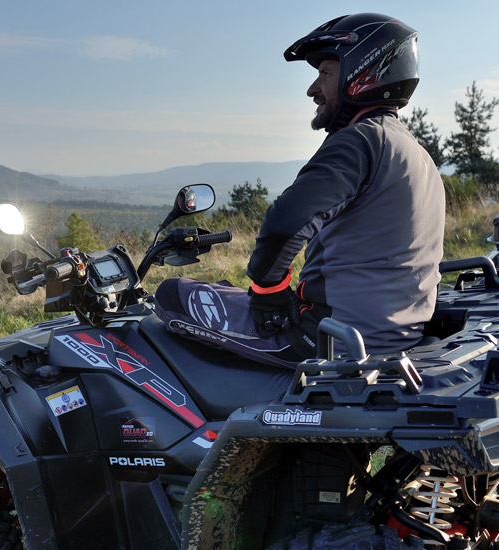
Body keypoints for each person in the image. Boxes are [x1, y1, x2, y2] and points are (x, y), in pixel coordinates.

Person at [155, 13, 445, 367]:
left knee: (172, 294)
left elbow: (284, 223)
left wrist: (268, 292)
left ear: (363, 70)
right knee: (225, 290)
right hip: (391, 335)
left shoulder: (359, 141)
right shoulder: (414, 152)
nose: (312, 89)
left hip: (329, 337)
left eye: (325, 73)